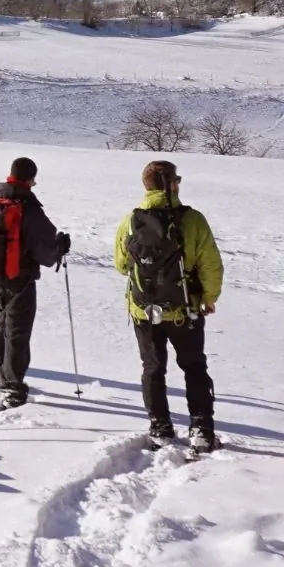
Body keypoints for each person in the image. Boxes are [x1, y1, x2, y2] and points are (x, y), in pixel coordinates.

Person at [113, 160, 224, 451]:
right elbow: (210, 263)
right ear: (173, 184)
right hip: (184, 308)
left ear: (145, 185)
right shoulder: (193, 219)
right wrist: (209, 298)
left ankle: (160, 427)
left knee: (152, 367)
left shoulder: (131, 219)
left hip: (144, 309)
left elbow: (121, 264)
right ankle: (201, 428)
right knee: (194, 367)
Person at [0, 156, 69, 408]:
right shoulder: (28, 209)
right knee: (17, 330)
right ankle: (12, 388)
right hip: (19, 280)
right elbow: (47, 253)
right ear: (30, 180)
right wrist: (61, 246)